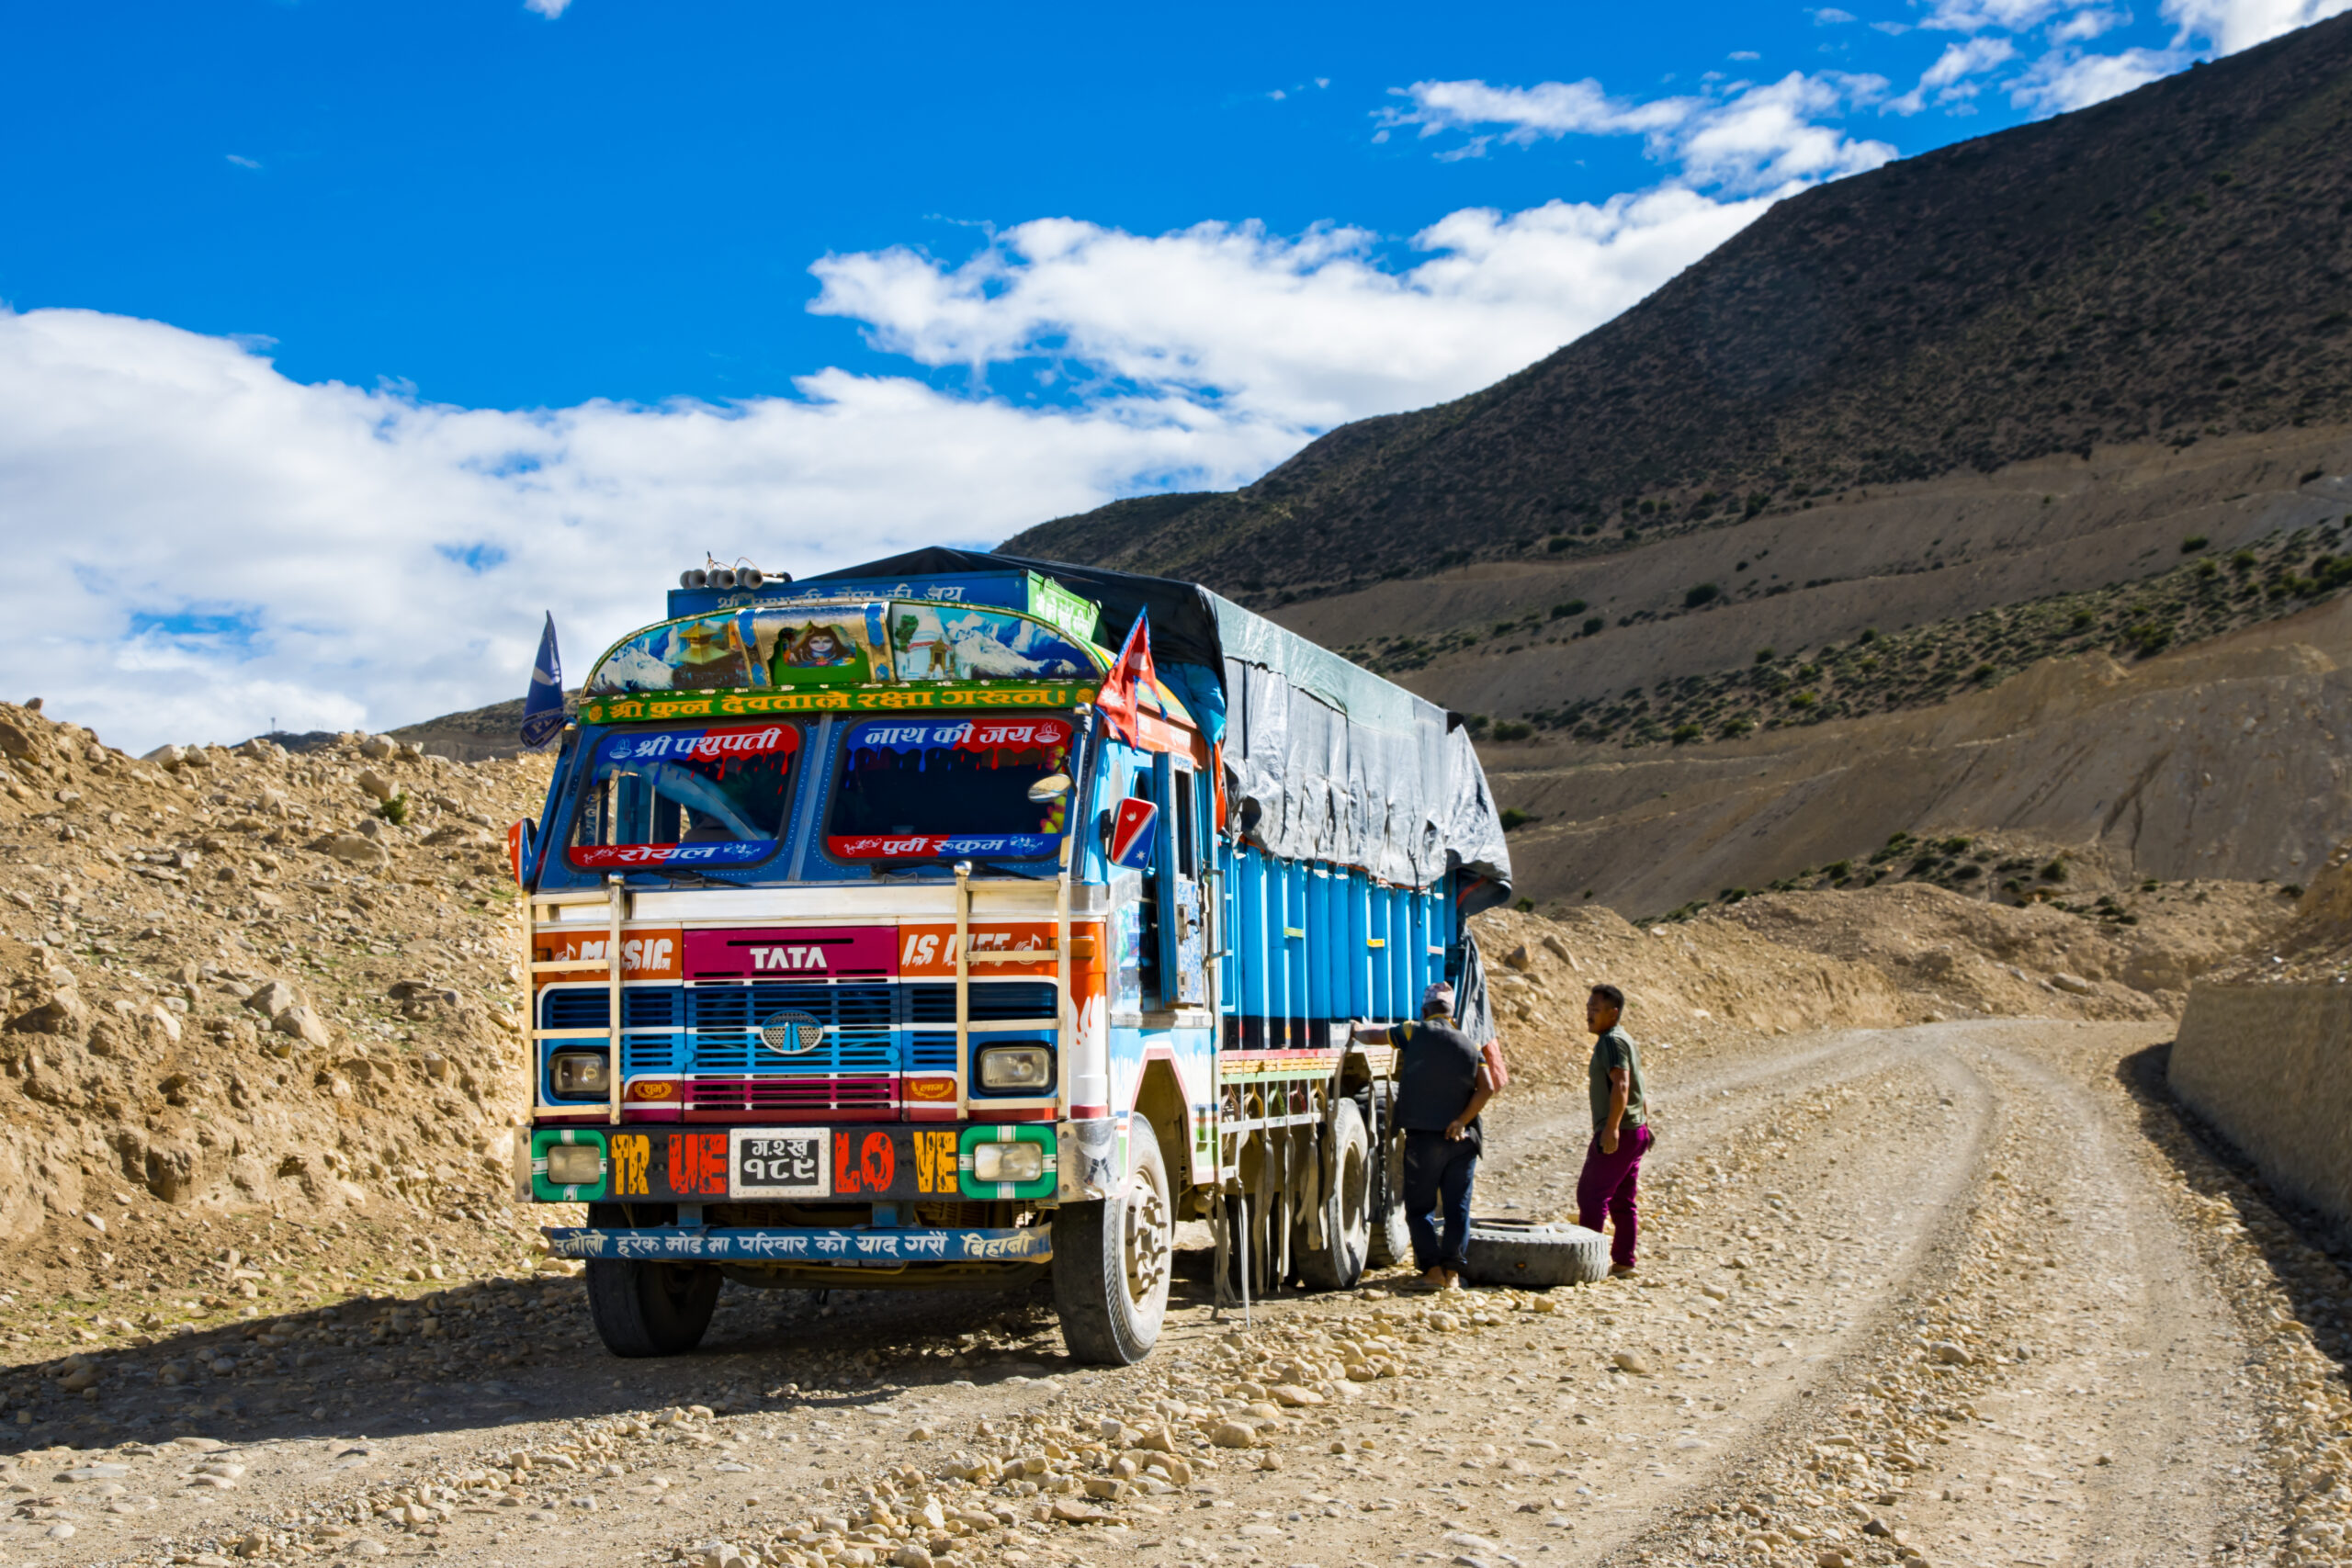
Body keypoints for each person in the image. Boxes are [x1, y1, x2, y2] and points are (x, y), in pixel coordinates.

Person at [1351, 982, 1498, 1291]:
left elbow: (1371, 1037)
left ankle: (1432, 1271)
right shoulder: (1470, 1043)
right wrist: (1461, 1121)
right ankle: (1453, 1274)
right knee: (1458, 1207)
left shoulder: (1412, 1032)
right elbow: (1488, 1086)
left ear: (1425, 1011)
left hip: (1425, 1139)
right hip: (1464, 1141)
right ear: (1451, 1013)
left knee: (1420, 1208)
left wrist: (1355, 1030)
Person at [1577, 984, 1652, 1279]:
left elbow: (1621, 1085)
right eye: (1588, 1008)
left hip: (1621, 1132)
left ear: (1613, 1013)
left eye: (1596, 1010)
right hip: (1636, 1131)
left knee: (1592, 1196)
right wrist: (1644, 1125)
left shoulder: (1611, 1041)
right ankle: (1623, 1260)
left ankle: (1587, 1264)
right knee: (1622, 1199)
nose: (1589, 1014)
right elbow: (1640, 1088)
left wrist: (1611, 1129)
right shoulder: (1624, 1040)